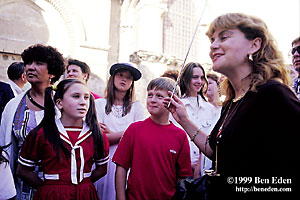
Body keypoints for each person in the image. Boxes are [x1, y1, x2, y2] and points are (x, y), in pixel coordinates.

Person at [164, 13, 300, 199]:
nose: (213, 46)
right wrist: (184, 120)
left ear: (254, 45)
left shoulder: (273, 94)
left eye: (224, 37)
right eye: (212, 40)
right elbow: (214, 151)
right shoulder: (232, 102)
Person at [16, 79, 109, 200]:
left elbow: (102, 169)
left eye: (86, 97)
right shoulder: (41, 134)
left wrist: (82, 183)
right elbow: (23, 171)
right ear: (59, 103)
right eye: (76, 96)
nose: (83, 102)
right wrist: (48, 187)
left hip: (85, 194)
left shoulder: (96, 135)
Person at [0, 44, 65, 200]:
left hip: (57, 188)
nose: (30, 67)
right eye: (29, 63)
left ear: (52, 72)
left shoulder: (64, 103)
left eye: (39, 63)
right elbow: (4, 147)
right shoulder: (13, 105)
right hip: (19, 188)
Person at [113, 77, 192, 200]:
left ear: (173, 100)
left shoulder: (180, 136)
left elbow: (183, 177)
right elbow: (121, 167)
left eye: (159, 96)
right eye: (150, 95)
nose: (153, 100)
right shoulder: (134, 129)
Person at [94, 63, 144, 200]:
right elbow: (98, 138)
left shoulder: (137, 107)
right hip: (103, 161)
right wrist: (128, 133)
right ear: (113, 78)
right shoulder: (99, 104)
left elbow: (139, 137)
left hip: (127, 162)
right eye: (120, 75)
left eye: (128, 77)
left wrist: (111, 133)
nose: (124, 79)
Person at [175, 62, 219, 178]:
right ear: (185, 79)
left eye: (202, 78)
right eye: (195, 77)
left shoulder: (211, 109)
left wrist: (199, 164)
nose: (199, 81)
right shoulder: (176, 107)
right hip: (178, 168)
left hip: (202, 170)